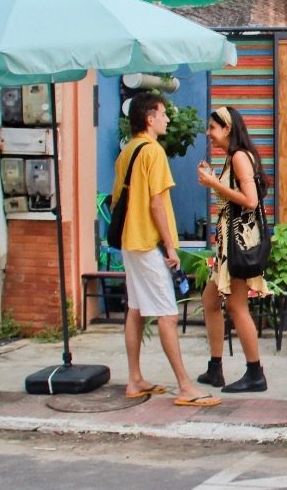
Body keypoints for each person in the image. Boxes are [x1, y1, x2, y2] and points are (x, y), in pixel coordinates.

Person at [113, 94, 219, 407]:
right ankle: (185, 387)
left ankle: (135, 380)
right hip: (148, 243)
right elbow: (156, 202)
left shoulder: (127, 151)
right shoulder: (153, 152)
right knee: (168, 315)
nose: (167, 120)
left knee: (135, 309)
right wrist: (171, 247)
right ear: (150, 118)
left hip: (129, 242)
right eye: (163, 114)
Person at [194, 106, 270, 393]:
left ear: (227, 129)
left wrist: (213, 183)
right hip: (229, 246)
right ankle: (215, 368)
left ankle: (255, 373)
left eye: (212, 128)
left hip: (239, 244)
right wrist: (215, 179)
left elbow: (249, 201)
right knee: (210, 301)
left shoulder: (239, 157)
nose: (209, 134)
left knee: (237, 306)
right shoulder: (233, 158)